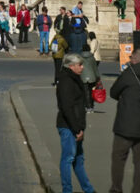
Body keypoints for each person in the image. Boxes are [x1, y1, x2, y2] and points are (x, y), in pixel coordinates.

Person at [109, 48, 140, 193]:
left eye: (131, 58)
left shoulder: (129, 73)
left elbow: (114, 91)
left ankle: (116, 188)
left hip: (125, 123)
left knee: (118, 157)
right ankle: (137, 190)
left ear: (134, 59)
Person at [56, 53, 95, 193]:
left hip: (75, 125)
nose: (83, 67)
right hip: (68, 126)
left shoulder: (73, 78)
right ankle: (67, 190)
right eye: (80, 65)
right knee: (68, 158)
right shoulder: (67, 81)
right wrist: (77, 129)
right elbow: (67, 107)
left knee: (78, 160)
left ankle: (88, 189)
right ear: (71, 66)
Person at [81, 44, 100, 110]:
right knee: (91, 92)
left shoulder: (80, 57)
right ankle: (91, 106)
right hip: (92, 77)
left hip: (83, 77)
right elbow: (95, 68)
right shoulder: (92, 58)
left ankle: (87, 106)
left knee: (85, 92)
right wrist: (98, 77)